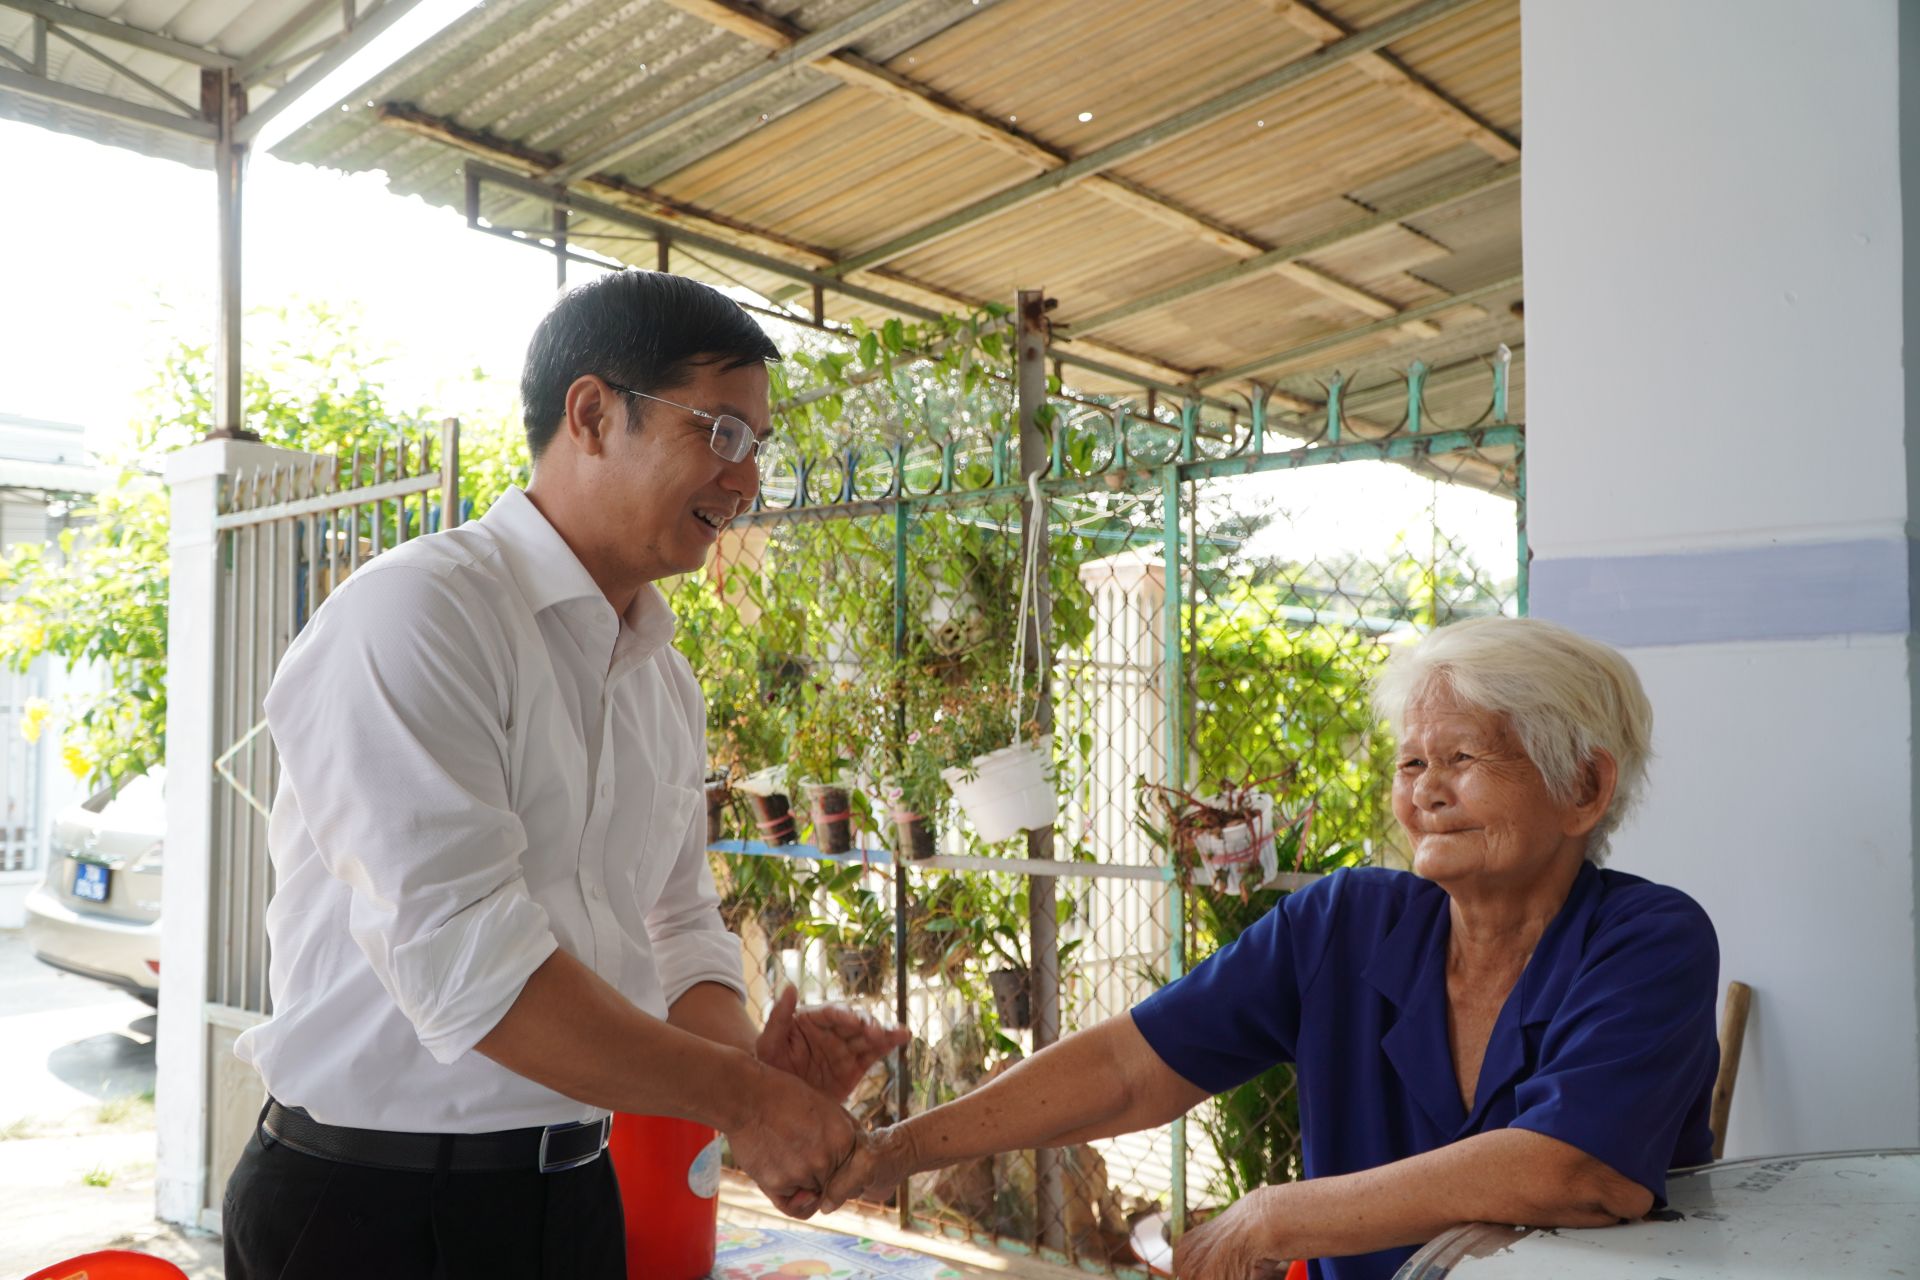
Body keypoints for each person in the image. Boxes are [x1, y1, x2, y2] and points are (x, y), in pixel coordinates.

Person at [223, 269, 906, 1279]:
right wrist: (745, 1100)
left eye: (757, 444)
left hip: (577, 1195)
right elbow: (474, 969)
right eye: (721, 431)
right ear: (591, 414)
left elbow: (680, 931)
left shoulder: (661, 681)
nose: (746, 479)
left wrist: (750, 1066)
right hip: (372, 1208)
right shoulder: (419, 616)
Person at [818, 616, 1720, 1280]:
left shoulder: (1649, 942)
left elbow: (1575, 1169)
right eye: (1411, 764)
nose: (1425, 793)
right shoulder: (1345, 922)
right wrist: (895, 1150)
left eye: (1462, 760)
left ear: (1583, 787)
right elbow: (1129, 1068)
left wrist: (1274, 1217)